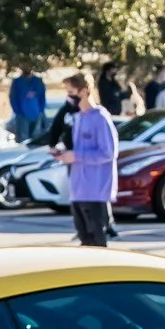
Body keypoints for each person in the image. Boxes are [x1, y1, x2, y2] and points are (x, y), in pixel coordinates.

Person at [56, 76, 117, 248]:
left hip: (95, 191)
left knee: (97, 243)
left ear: (85, 91)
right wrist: (64, 154)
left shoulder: (100, 118)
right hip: (78, 190)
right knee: (85, 242)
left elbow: (108, 153)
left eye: (71, 92)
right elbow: (79, 150)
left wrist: (76, 156)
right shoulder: (79, 118)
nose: (69, 97)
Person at [8, 65, 47, 144]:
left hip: (36, 114)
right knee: (23, 140)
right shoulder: (17, 82)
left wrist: (41, 110)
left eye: (29, 66)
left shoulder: (38, 80)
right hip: (22, 115)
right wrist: (18, 112)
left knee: (37, 138)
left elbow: (42, 96)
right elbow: (13, 98)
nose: (27, 68)